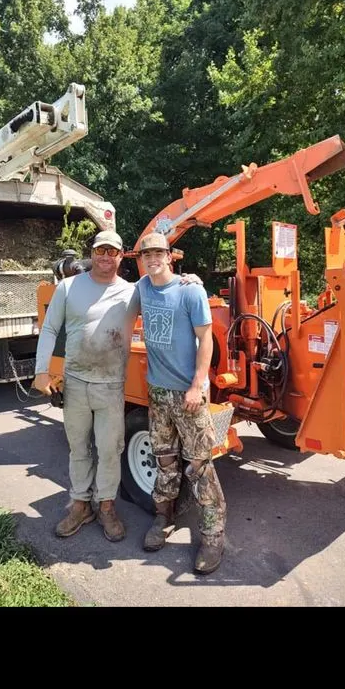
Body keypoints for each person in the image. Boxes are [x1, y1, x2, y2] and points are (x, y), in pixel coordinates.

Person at [128, 231, 226, 575]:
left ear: (170, 256)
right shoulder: (142, 287)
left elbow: (207, 340)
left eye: (158, 253)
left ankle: (213, 537)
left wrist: (198, 384)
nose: (152, 258)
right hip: (158, 392)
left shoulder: (190, 290)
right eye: (146, 254)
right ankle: (162, 519)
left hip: (189, 394)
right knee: (165, 460)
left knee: (199, 466)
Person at [34, 230, 134, 542]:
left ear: (120, 256)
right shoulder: (68, 287)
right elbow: (50, 328)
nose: (106, 256)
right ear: (91, 253)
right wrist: (41, 371)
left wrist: (191, 282)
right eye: (100, 250)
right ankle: (80, 505)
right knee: (78, 448)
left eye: (112, 251)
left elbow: (164, 290)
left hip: (111, 386)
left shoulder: (133, 292)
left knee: (108, 449)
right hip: (76, 382)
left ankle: (105, 505)